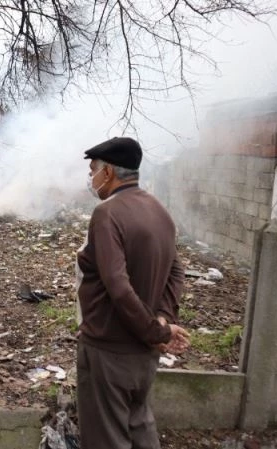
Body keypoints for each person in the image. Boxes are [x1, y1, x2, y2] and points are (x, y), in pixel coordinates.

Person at [76, 137, 190, 449]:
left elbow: (117, 285)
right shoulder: (159, 210)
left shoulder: (107, 214)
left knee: (106, 437)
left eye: (93, 170)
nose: (91, 178)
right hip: (144, 354)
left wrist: (156, 330)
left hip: (108, 351)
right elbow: (176, 271)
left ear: (108, 172)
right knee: (140, 425)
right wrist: (162, 320)